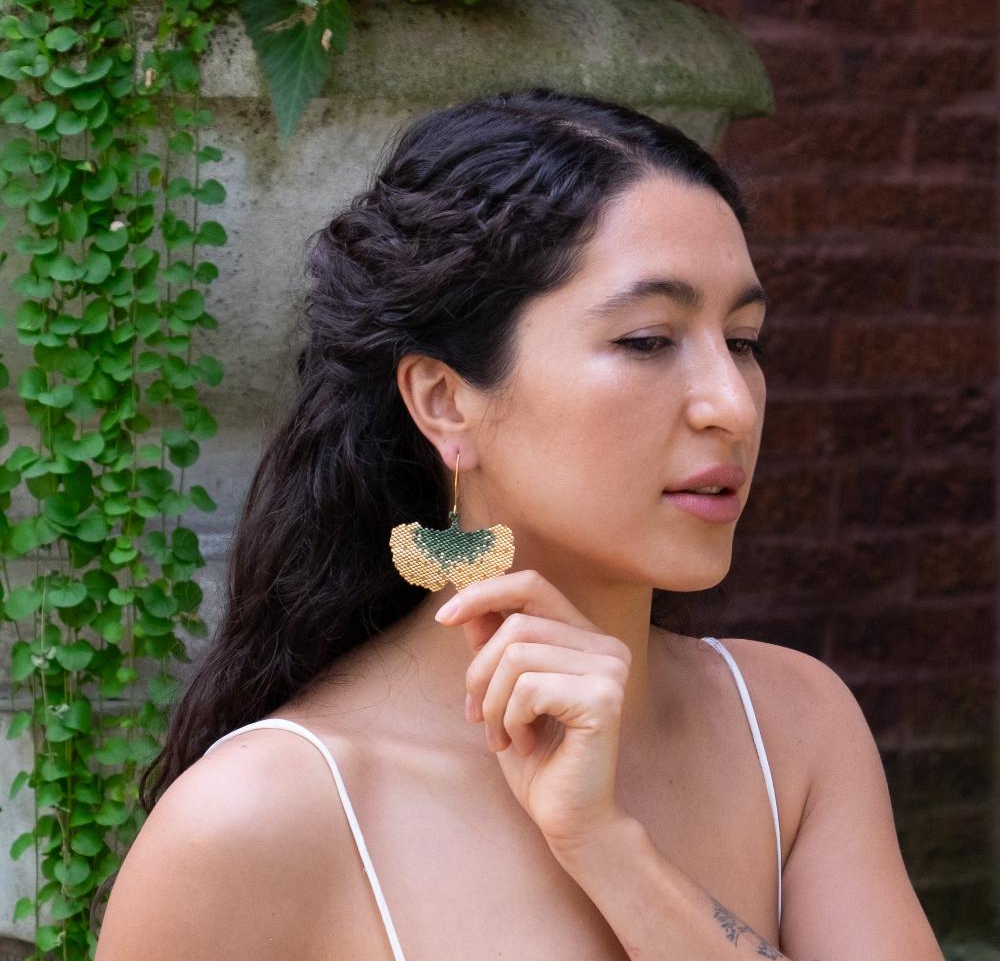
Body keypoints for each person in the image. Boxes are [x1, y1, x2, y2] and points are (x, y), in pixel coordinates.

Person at [93, 87, 943, 960]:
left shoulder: (793, 725)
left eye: (745, 340)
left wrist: (612, 850)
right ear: (445, 400)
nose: (732, 404)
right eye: (649, 341)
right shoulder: (262, 817)